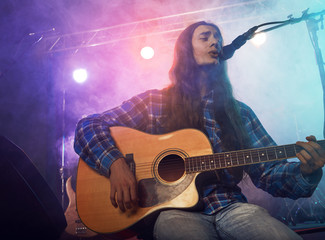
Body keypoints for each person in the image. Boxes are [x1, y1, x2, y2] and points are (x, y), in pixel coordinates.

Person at [74, 21, 325, 240]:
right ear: (186, 50)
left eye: (217, 37)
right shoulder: (154, 102)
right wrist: (115, 165)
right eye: (205, 37)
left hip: (232, 208)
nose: (215, 41)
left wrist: (305, 170)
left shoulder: (240, 113)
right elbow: (88, 126)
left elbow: (269, 173)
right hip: (173, 213)